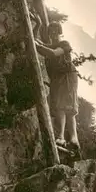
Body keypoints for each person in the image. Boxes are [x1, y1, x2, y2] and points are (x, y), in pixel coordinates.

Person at [31, 15, 80, 153]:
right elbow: (35, 41)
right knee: (60, 107)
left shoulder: (64, 44)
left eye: (55, 31)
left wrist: (39, 46)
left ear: (59, 32)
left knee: (68, 107)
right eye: (50, 32)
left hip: (68, 76)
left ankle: (71, 138)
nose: (52, 34)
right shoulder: (49, 45)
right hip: (57, 78)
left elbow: (53, 53)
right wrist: (38, 24)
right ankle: (64, 137)